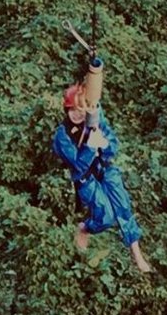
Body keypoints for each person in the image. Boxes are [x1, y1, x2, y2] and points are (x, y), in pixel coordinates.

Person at [53, 80, 153, 272]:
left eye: (80, 109)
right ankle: (84, 228)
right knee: (105, 217)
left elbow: (112, 147)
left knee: (123, 206)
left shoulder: (94, 118)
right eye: (72, 110)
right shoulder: (62, 135)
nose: (77, 114)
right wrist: (90, 146)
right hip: (86, 178)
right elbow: (77, 165)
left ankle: (137, 256)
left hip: (105, 168)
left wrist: (103, 142)